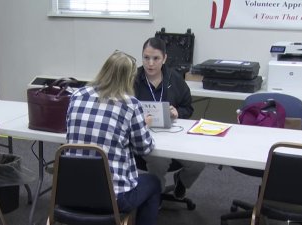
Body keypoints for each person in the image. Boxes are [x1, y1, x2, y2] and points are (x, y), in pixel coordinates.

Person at [66, 50, 161, 225]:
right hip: (113, 198)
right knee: (154, 183)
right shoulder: (130, 105)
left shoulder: (76, 95)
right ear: (129, 78)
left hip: (70, 193)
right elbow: (144, 148)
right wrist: (143, 125)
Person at [134, 37, 205, 200]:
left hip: (173, 134)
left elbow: (188, 107)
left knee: (198, 162)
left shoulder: (175, 79)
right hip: (143, 135)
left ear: (164, 58)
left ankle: (181, 181)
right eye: (146, 57)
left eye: (156, 58)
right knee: (159, 160)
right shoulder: (133, 79)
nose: (150, 63)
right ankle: (155, 196)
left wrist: (178, 112)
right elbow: (122, 108)